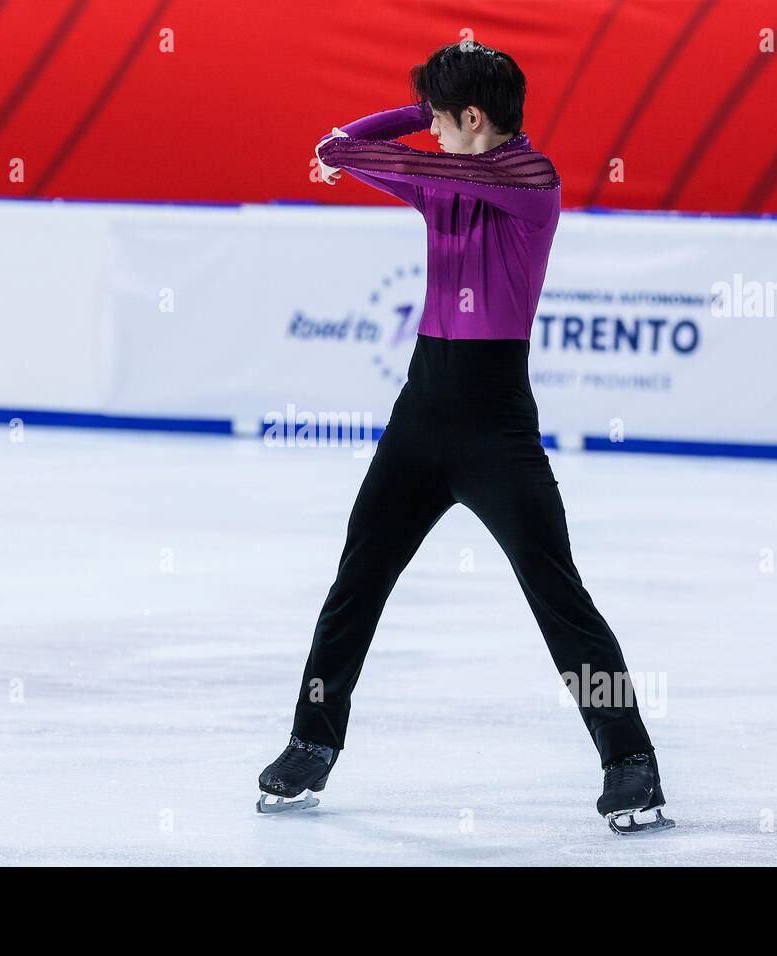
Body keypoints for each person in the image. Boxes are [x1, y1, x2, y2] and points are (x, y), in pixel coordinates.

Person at [257, 42, 672, 835]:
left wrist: (421, 136)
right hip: (420, 415)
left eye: (445, 122)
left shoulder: (530, 179)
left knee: (559, 596)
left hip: (496, 427)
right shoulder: (440, 175)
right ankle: (310, 744)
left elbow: (386, 158)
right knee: (357, 581)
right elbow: (339, 149)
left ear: (474, 120)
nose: (434, 137)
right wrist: (425, 110)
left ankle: (631, 762)